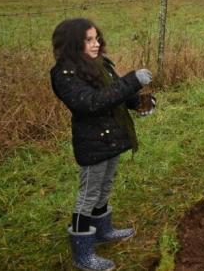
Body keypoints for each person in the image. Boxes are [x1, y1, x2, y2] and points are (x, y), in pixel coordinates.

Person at [50, 18, 156, 271]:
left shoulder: (101, 65)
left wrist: (139, 101)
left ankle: (103, 231)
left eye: (96, 38)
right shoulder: (65, 74)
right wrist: (132, 80)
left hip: (113, 137)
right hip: (93, 142)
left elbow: (116, 95)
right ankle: (82, 253)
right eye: (88, 40)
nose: (96, 44)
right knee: (88, 195)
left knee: (105, 186)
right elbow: (91, 103)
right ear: (73, 43)